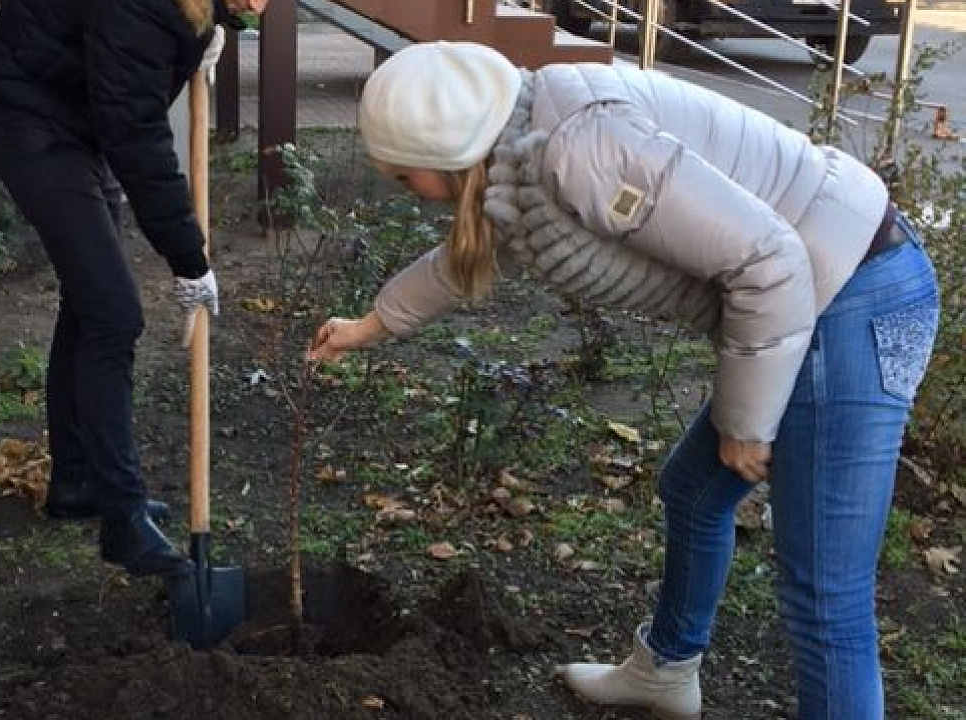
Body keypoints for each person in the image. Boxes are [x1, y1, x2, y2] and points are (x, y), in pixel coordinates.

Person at [306, 42, 938, 720]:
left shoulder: (580, 150)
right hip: (817, 295)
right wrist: (368, 325)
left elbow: (771, 261)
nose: (409, 191)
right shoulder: (519, 145)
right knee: (694, 494)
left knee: (826, 595)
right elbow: (459, 261)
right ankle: (666, 671)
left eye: (406, 178)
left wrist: (747, 427)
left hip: (850, 296)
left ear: (448, 151)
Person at [0, 0, 269, 577]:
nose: (262, 5)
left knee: (90, 306)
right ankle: (123, 520)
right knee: (113, 315)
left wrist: (209, 26)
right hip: (32, 121)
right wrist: (188, 258)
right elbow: (135, 130)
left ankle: (77, 483)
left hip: (73, 116)